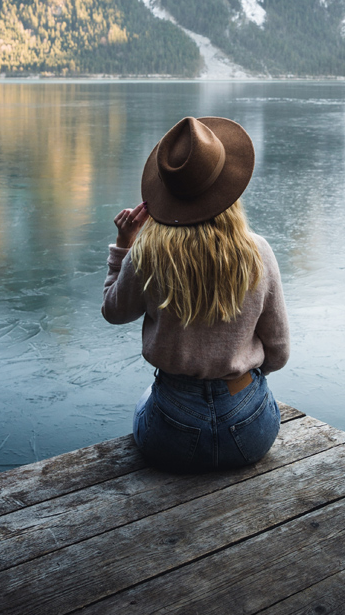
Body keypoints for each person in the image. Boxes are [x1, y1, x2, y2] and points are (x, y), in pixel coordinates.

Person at [102, 116, 290, 472]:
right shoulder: (258, 252)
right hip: (251, 432)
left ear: (167, 194)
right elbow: (278, 353)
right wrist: (234, 376)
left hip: (172, 433)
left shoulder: (149, 255)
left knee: (147, 401)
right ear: (229, 188)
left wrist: (124, 246)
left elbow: (113, 311)